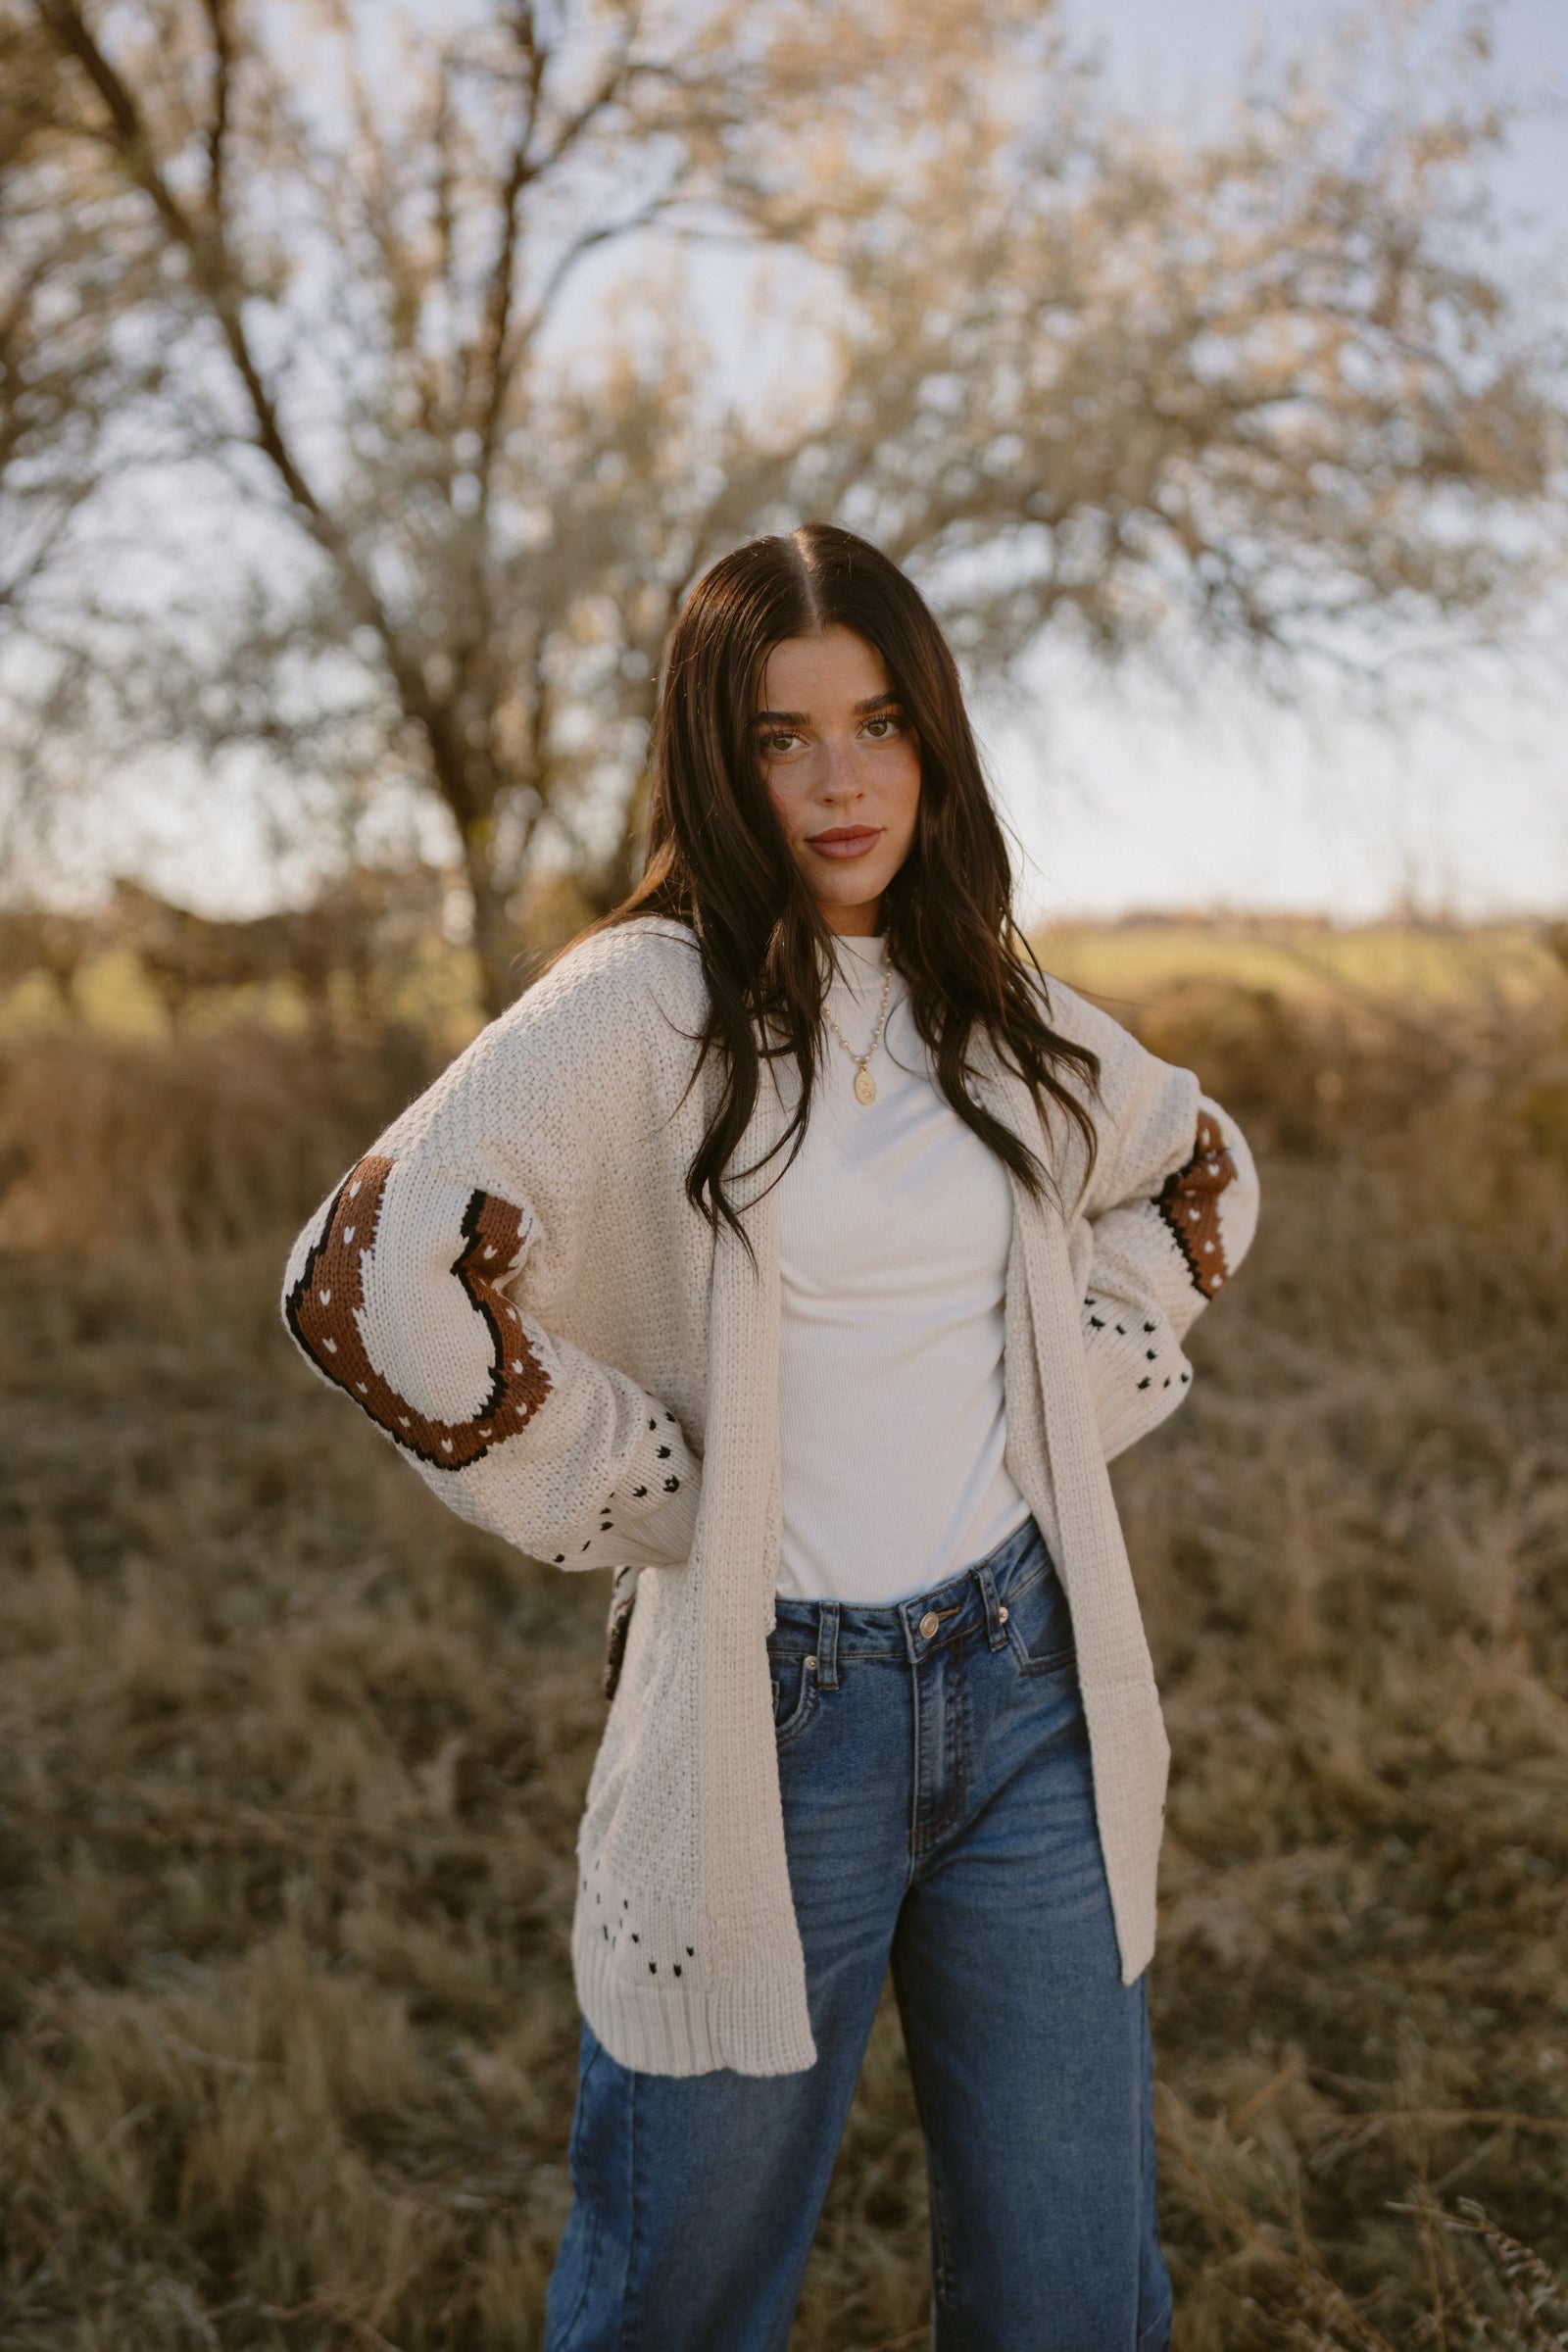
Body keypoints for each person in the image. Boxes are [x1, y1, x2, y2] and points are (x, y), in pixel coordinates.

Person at [282, 523, 1258, 2350]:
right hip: (773, 1716)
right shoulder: (650, 1003)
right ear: (712, 759)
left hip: (1030, 1687)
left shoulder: (992, 1000)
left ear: (934, 739)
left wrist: (1070, 1391)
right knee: (681, 2303)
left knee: (1073, 2297)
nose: (839, 783)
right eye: (780, 737)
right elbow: (367, 1279)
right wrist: (649, 1480)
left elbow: (1198, 1169)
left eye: (879, 725)